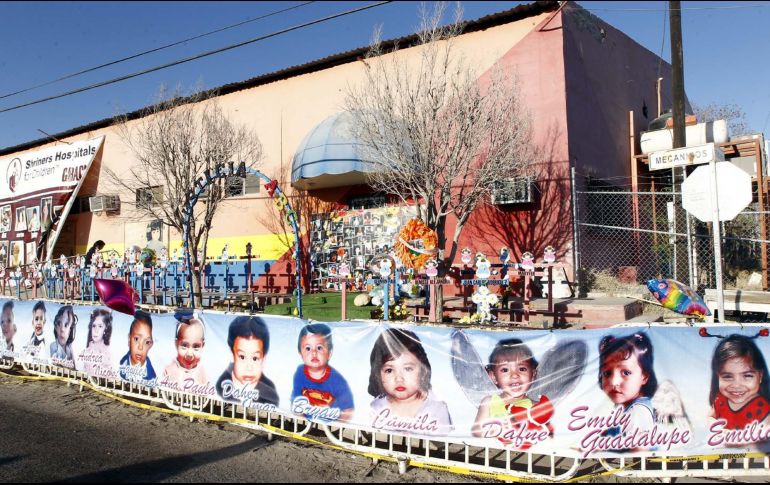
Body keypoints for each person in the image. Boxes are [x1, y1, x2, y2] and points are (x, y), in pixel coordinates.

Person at [368, 328, 452, 436]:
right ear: (378, 374)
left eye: (408, 369)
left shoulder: (437, 408)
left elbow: (442, 441)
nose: (399, 378)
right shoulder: (377, 406)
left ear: (423, 370)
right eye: (389, 370)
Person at [472, 338, 553, 449]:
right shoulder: (489, 402)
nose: (514, 375)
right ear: (493, 377)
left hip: (524, 457)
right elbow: (477, 430)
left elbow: (547, 434)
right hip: (494, 454)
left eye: (522, 368)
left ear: (533, 374)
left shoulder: (535, 406)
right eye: (505, 370)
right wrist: (495, 430)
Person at [598, 332, 658, 452]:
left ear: (644, 377)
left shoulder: (637, 412)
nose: (614, 382)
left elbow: (640, 453)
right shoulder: (629, 408)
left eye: (626, 372)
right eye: (607, 373)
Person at [290, 323, 354, 422]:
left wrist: (336, 426)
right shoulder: (300, 373)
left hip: (331, 422)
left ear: (329, 353)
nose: (314, 353)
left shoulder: (337, 380)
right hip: (307, 420)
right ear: (300, 354)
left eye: (319, 348)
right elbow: (295, 401)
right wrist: (302, 421)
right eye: (308, 348)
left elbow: (348, 409)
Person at [708, 335, 770, 433]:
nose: (737, 385)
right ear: (718, 377)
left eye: (747, 376)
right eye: (728, 376)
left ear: (760, 376)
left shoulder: (762, 407)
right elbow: (710, 417)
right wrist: (718, 428)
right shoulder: (720, 400)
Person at [216, 316, 279, 406]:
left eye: (255, 358)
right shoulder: (220, 386)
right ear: (232, 355)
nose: (249, 367)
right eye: (242, 357)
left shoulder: (270, 394)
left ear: (263, 359)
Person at [162, 311, 209, 391]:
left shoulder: (203, 373)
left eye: (196, 347)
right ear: (176, 344)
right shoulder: (169, 370)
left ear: (202, 345)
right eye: (184, 346)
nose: (190, 354)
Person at [119, 311, 157, 383]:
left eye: (147, 342)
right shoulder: (120, 363)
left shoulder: (151, 375)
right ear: (129, 339)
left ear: (151, 344)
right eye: (136, 339)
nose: (140, 347)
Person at [79, 308, 113, 376]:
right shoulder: (88, 348)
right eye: (94, 326)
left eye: (100, 326)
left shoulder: (108, 351)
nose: (96, 330)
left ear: (105, 329)